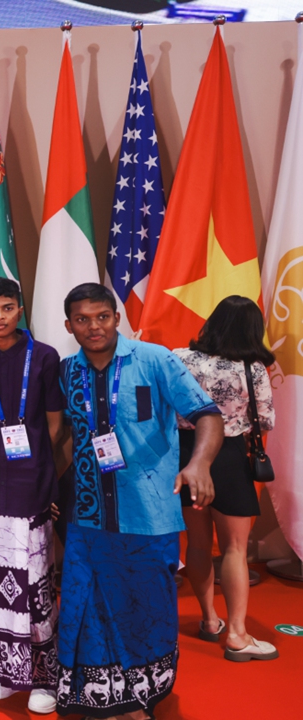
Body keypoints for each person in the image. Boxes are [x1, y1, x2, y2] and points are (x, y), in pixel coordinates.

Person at [57, 283, 224, 718]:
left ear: (116, 318)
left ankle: (141, 698)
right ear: (69, 325)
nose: (93, 326)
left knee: (147, 610)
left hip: (148, 514)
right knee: (87, 604)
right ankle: (102, 697)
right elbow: (62, 437)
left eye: (102, 317)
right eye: (82, 319)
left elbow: (207, 414)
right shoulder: (66, 371)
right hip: (88, 517)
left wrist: (200, 464)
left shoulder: (157, 360)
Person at [0, 277, 64, 714]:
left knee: (33, 581)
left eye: (7, 307)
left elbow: (56, 423)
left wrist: (35, 465)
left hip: (31, 484)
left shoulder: (44, 357)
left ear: (19, 310)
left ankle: (43, 677)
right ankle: (3, 670)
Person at [175, 296, 278, 663]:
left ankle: (209, 620)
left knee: (198, 546)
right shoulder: (251, 368)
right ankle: (237, 634)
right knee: (234, 549)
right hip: (228, 458)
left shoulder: (180, 358)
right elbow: (266, 421)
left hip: (186, 457)